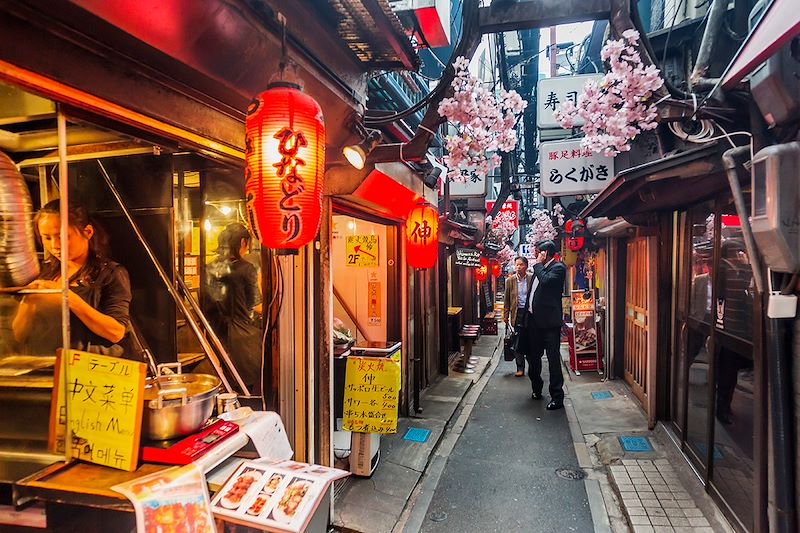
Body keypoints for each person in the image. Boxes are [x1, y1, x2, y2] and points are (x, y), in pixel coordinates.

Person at [12, 199, 132, 357]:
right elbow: (19, 335)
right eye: (47, 238)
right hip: (49, 365)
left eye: (62, 237)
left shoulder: (110, 273)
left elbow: (116, 332)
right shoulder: (45, 273)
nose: (55, 245)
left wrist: (67, 298)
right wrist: (28, 302)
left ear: (88, 232)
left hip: (90, 369)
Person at [205, 223, 262, 390]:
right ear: (243, 242)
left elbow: (209, 304)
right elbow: (256, 305)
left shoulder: (211, 267)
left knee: (227, 387)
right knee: (246, 390)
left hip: (218, 335)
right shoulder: (246, 269)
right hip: (244, 339)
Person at [522, 240, 567, 410]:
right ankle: (536, 388)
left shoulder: (558, 268)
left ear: (545, 253)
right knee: (533, 358)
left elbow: (547, 282)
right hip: (533, 322)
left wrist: (538, 266)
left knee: (553, 359)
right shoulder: (539, 270)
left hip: (549, 324)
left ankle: (557, 396)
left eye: (538, 251)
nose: (535, 254)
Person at [503, 256, 532, 376]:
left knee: (531, 339)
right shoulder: (510, 281)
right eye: (517, 265)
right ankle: (520, 368)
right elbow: (507, 300)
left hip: (530, 313)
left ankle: (533, 365)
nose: (518, 267)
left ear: (526, 266)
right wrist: (505, 315)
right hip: (517, 313)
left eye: (521, 265)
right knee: (518, 340)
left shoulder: (531, 278)